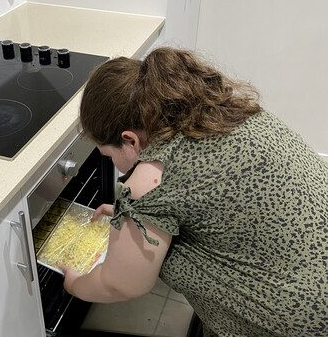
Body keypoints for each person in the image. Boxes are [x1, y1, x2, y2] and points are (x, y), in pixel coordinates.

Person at [58, 47, 328, 337]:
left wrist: (73, 283)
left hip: (304, 316)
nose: (111, 163)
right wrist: (131, 220)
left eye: (107, 154)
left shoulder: (152, 178)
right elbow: (208, 196)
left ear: (130, 139)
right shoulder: (222, 111)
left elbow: (120, 284)